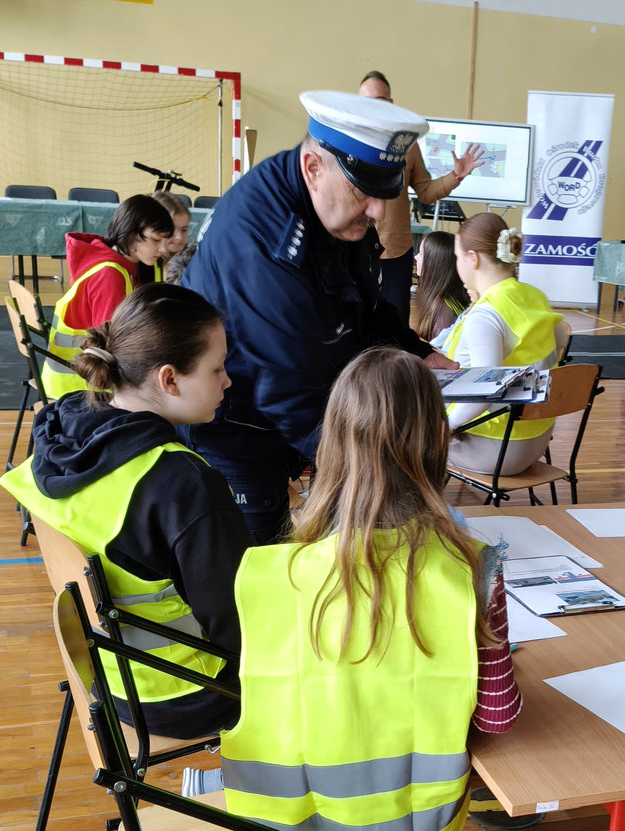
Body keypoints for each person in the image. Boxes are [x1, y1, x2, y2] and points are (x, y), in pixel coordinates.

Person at [220, 348, 520, 831]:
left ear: (332, 437)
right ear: (439, 434)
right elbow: (497, 717)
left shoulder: (267, 572)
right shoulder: (473, 569)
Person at [179, 90, 454, 544]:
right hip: (236, 422)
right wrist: (369, 477)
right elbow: (290, 396)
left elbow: (364, 305)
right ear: (313, 168)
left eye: (387, 194)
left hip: (299, 401)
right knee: (256, 553)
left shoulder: (334, 208)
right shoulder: (266, 249)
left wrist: (416, 350)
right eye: (364, 193)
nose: (379, 210)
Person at [0, 284, 251, 739]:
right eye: (217, 369)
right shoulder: (182, 482)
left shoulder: (60, 429)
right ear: (169, 379)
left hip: (107, 673)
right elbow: (241, 623)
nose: (227, 380)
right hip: (185, 690)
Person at [442, 212, 564, 475]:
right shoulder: (534, 297)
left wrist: (445, 427)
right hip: (537, 439)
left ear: (472, 258)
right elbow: (562, 340)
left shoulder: (485, 315)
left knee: (392, 433)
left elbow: (485, 391)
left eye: (457, 257)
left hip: (493, 447)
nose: (457, 264)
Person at [358, 71, 485, 322]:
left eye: (381, 101)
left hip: (395, 249)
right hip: (354, 248)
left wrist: (455, 176)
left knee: (395, 320)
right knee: (357, 317)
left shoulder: (407, 145)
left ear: (391, 105)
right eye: (368, 101)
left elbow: (426, 193)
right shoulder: (346, 141)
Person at [42, 195, 174, 399]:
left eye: (165, 241)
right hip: (81, 390)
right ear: (131, 233)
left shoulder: (108, 261)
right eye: (156, 240)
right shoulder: (109, 275)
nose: (163, 249)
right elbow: (114, 345)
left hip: (72, 379)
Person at [414, 230, 472, 342]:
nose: (416, 257)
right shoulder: (444, 300)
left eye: (420, 254)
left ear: (433, 263)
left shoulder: (442, 314)